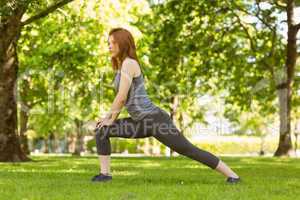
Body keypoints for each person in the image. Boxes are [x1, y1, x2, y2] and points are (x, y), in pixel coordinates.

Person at [91, 27, 241, 184]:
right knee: (102, 130)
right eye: (108, 43)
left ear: (122, 43)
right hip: (140, 122)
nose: (109, 46)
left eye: (113, 42)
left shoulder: (129, 63)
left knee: (188, 150)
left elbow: (121, 97)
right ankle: (105, 175)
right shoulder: (122, 66)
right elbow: (119, 98)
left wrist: (111, 118)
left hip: (155, 120)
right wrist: (107, 119)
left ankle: (233, 176)